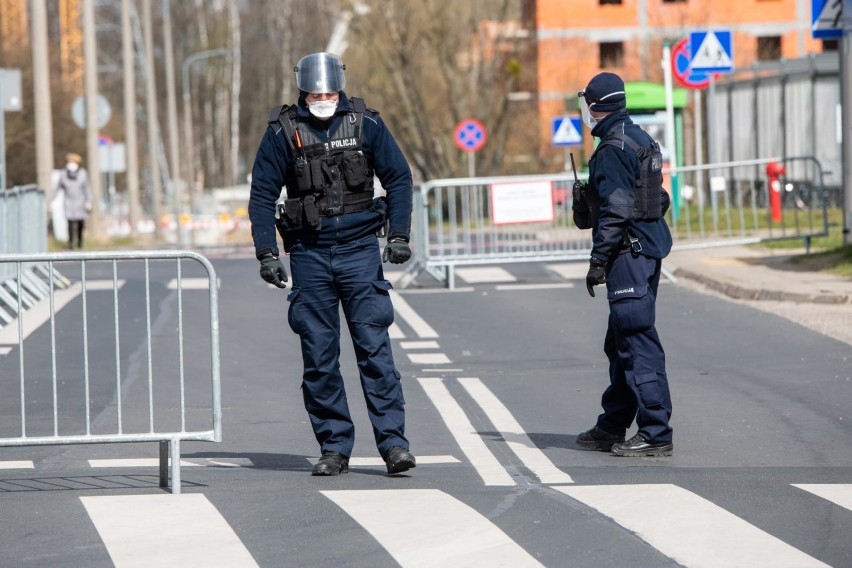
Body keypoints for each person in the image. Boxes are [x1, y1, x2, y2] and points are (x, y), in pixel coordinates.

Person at [247, 52, 416, 476]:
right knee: (319, 359)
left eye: (329, 91)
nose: (323, 98)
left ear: (339, 87)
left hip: (360, 251)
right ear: (303, 90)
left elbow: (398, 177)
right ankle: (335, 448)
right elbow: (262, 195)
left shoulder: (366, 123)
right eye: (315, 92)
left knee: (375, 353)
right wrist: (267, 253)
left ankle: (394, 445)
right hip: (310, 255)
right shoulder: (283, 131)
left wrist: (399, 235)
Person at [572, 72, 674, 457]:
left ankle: (655, 432)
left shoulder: (613, 148)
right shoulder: (637, 136)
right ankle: (613, 424)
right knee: (619, 343)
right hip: (645, 250)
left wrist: (598, 260)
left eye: (587, 104)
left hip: (628, 255)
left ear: (597, 106)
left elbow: (616, 211)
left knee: (636, 342)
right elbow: (656, 198)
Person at [53, 153, 93, 249]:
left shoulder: (82, 173)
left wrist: (89, 201)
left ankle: (79, 242)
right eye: (69, 161)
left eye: (73, 161)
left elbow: (86, 188)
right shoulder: (63, 174)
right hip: (68, 202)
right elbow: (57, 188)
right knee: (70, 222)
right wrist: (52, 200)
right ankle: (71, 243)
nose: (71, 163)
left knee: (80, 222)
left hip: (80, 201)